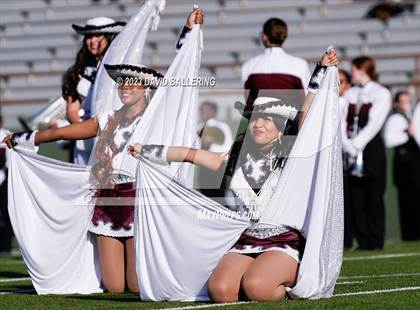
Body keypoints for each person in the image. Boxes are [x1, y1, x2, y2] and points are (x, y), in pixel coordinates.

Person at [3, 8, 204, 293]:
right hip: (107, 198)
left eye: (132, 82)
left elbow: (179, 75)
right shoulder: (108, 116)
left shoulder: (156, 118)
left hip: (138, 201)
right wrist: (29, 137)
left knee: (137, 286)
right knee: (113, 287)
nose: (124, 87)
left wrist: (189, 34)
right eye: (121, 82)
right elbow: (65, 131)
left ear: (147, 89)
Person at [128, 50, 339, 302]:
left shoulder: (293, 157)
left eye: (267, 119)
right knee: (220, 290)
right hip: (247, 237)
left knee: (257, 287)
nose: (258, 124)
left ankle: (284, 277)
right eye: (254, 119)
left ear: (282, 127)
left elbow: (307, 115)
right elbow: (191, 154)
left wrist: (320, 72)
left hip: (284, 239)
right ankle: (260, 275)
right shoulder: (236, 158)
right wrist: (147, 150)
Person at [341, 56, 391, 250]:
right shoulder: (350, 93)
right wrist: (347, 144)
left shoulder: (381, 92)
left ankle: (375, 239)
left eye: (353, 70)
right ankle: (361, 239)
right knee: (356, 195)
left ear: (362, 70)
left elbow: (375, 123)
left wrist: (357, 144)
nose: (351, 74)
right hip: (351, 144)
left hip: (370, 147)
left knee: (374, 193)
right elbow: (342, 120)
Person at [64, 17, 126, 165]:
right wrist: (86, 130)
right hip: (85, 142)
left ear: (110, 37)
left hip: (114, 137)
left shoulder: (121, 68)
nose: (92, 41)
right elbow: (72, 110)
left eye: (98, 35)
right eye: (89, 36)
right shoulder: (77, 72)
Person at [384, 91, 420, 241]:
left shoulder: (411, 115)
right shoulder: (396, 118)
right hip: (404, 164)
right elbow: (389, 140)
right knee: (407, 200)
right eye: (403, 101)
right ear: (397, 103)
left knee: (415, 199)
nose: (406, 103)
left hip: (413, 163)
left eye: (408, 100)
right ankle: (409, 234)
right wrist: (407, 133)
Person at [0, 115, 13, 254]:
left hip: (5, 176)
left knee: (6, 213)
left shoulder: (5, 134)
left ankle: (6, 245)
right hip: (4, 176)